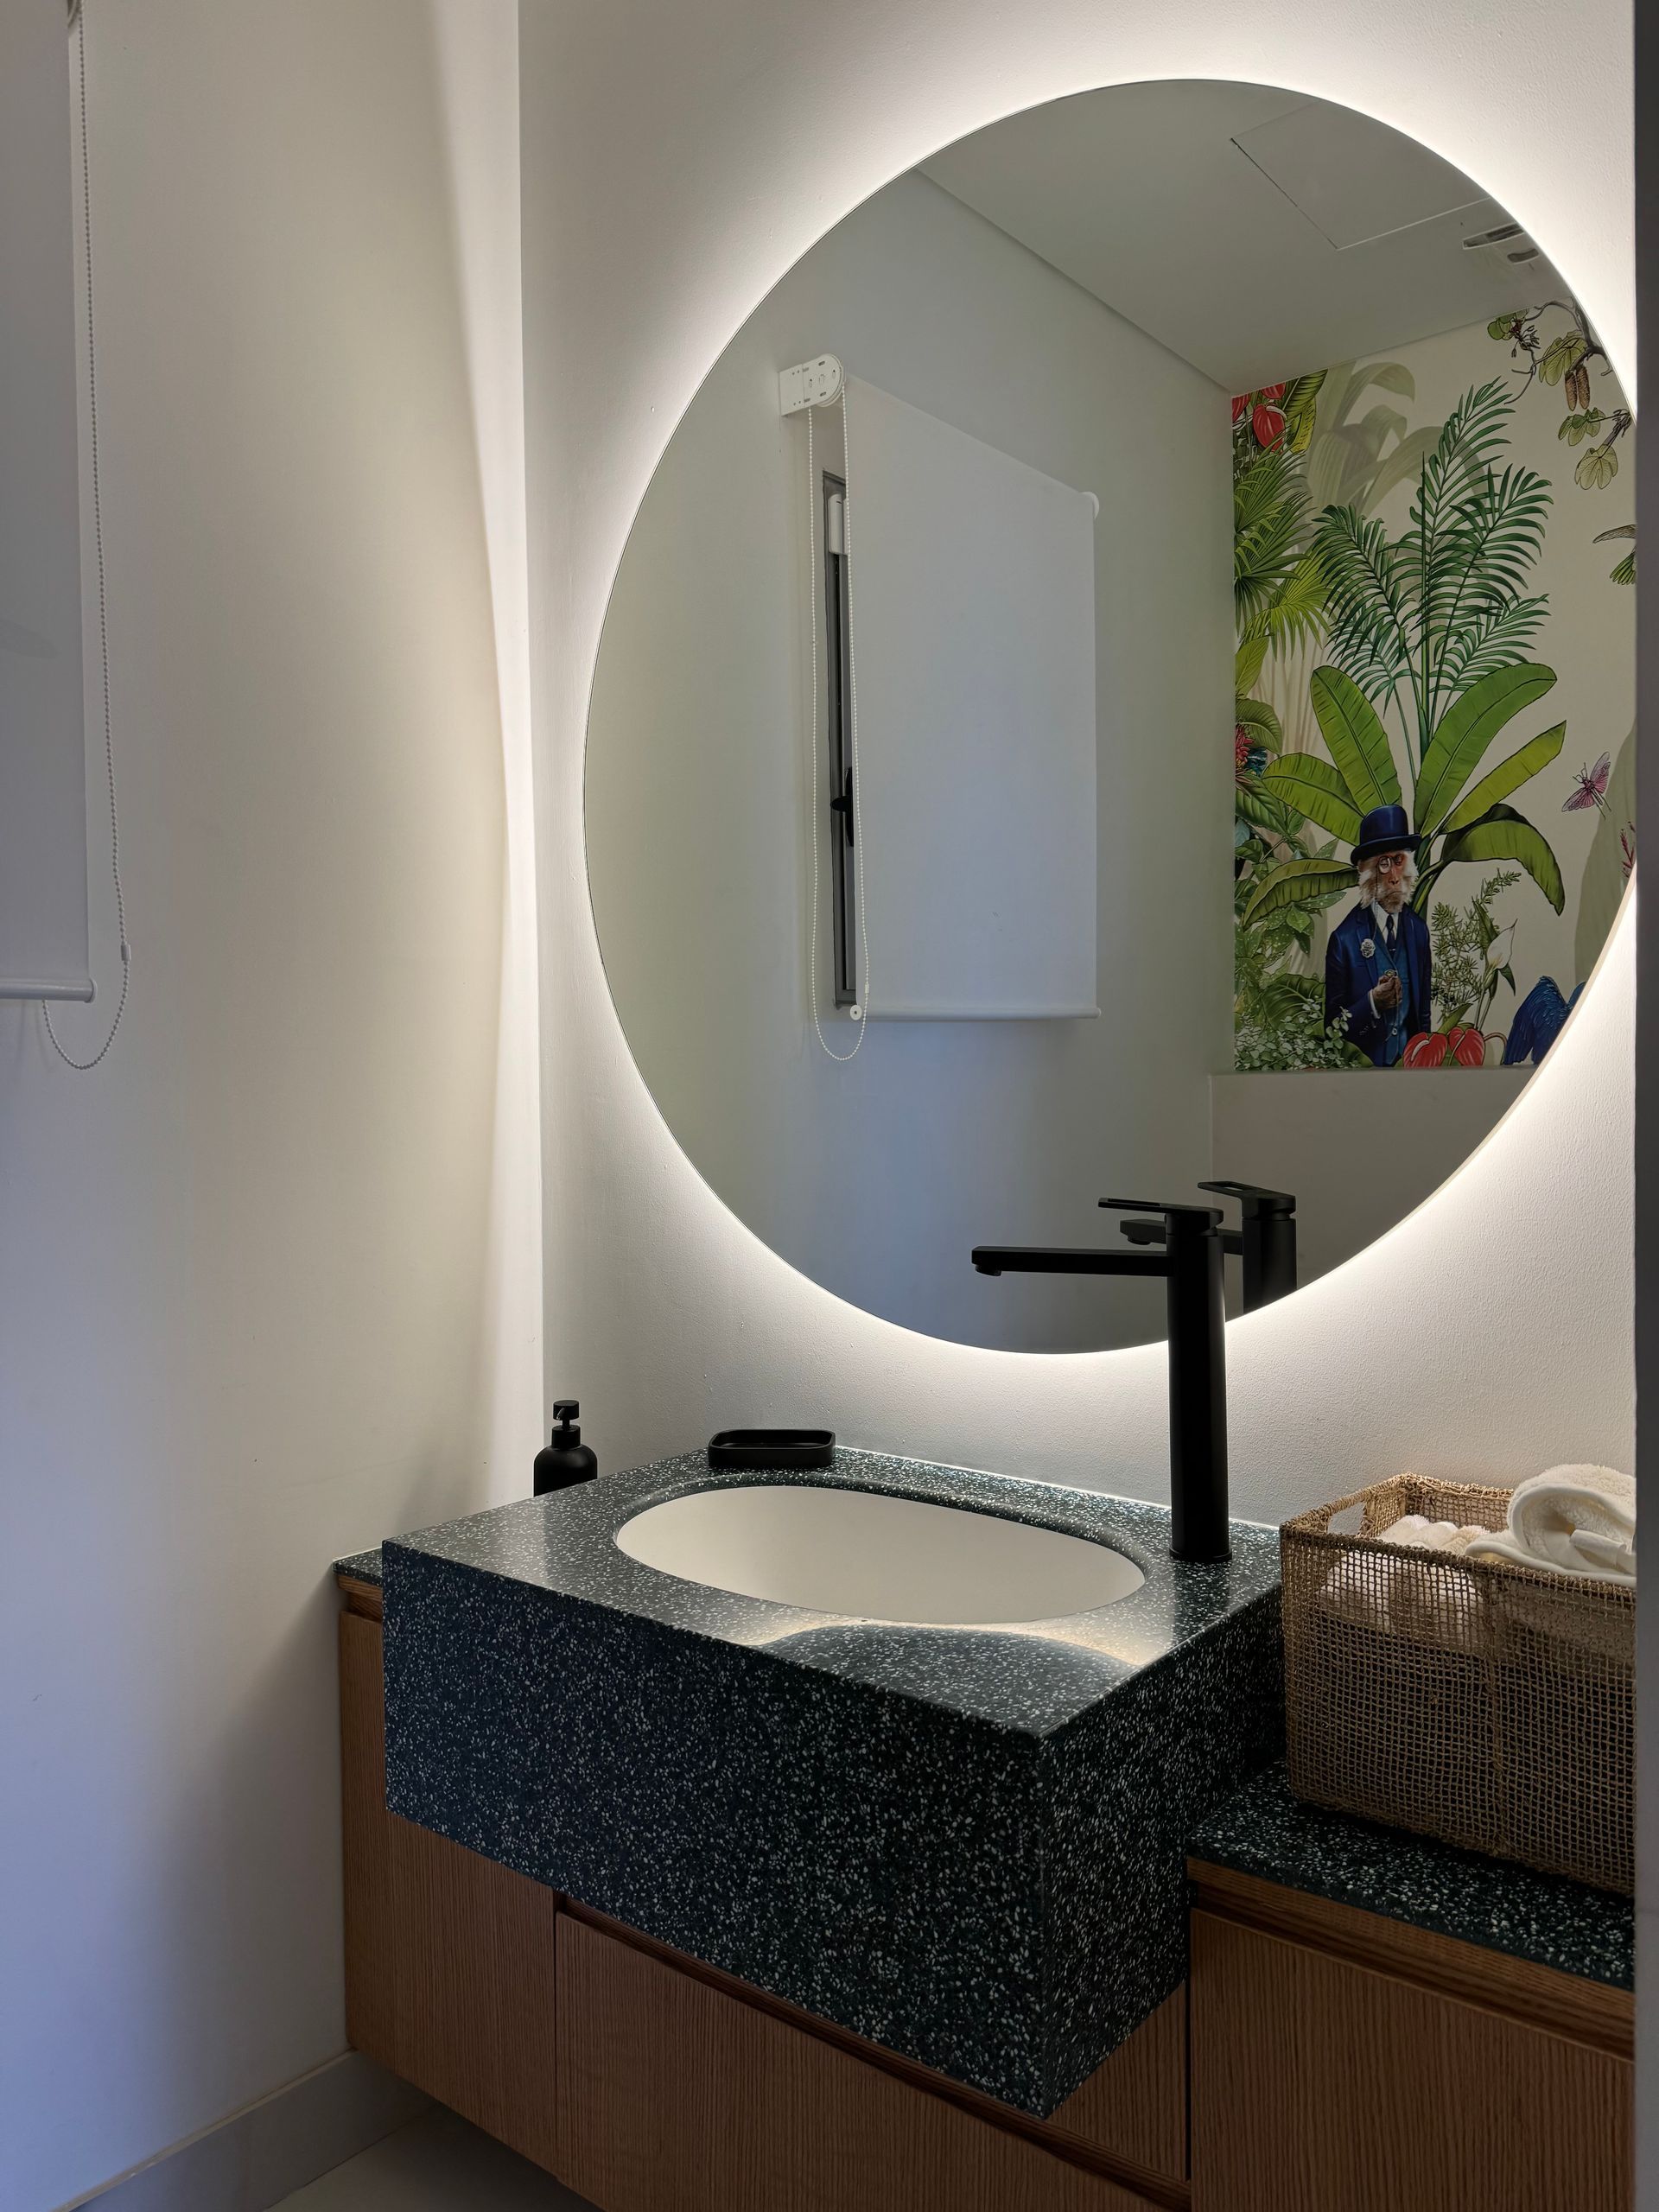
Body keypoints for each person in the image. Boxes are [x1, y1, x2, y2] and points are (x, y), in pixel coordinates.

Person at [1323, 804, 1432, 1067]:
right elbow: (1331, 1030)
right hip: (1363, 1081)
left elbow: (1424, 1016)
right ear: (1367, 872)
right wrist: (1372, 1003)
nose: (1394, 876)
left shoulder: (1418, 931)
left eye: (1398, 860)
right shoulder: (1344, 939)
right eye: (1383, 864)